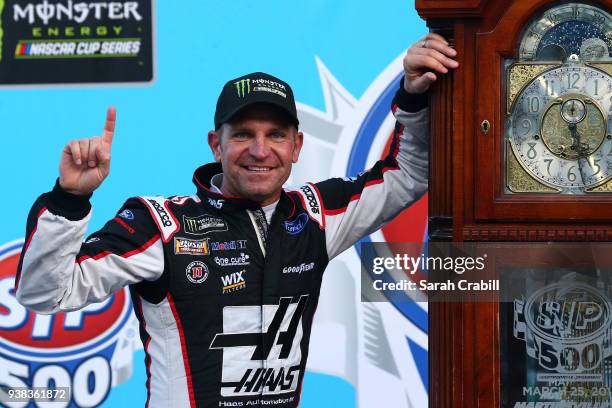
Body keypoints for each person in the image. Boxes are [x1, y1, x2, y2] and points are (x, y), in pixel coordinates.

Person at [16, 33, 458, 408]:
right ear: (216, 144)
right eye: (243, 134)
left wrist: (413, 97)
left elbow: (409, 174)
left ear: (297, 146)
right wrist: (70, 199)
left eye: (276, 135)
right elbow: (44, 293)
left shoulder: (319, 215)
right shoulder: (161, 224)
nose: (260, 150)